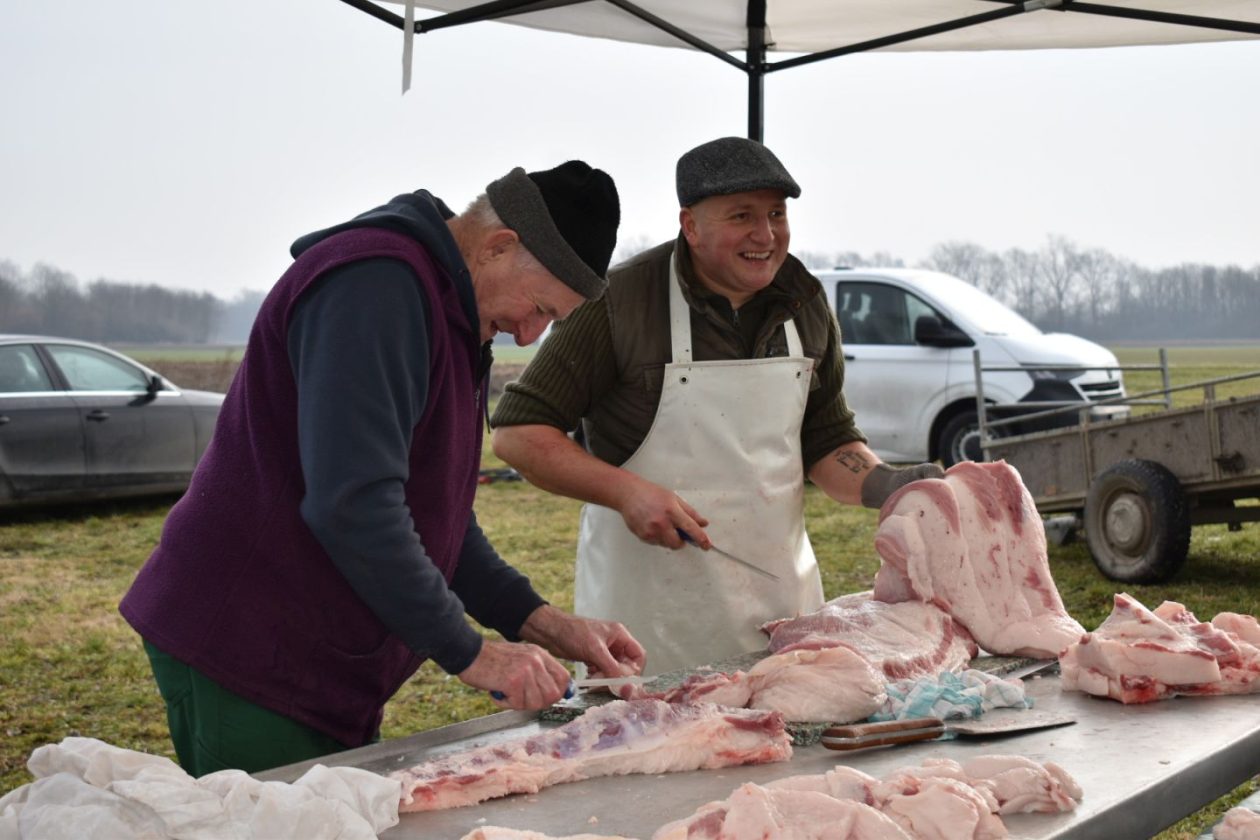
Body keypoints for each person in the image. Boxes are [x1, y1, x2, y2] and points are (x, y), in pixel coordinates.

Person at [120, 160, 646, 776]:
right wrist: (471, 653)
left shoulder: (454, 309)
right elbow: (354, 506)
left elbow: (435, 514)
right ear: (500, 245)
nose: (528, 337)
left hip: (314, 655)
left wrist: (543, 623)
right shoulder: (376, 288)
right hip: (249, 646)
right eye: (539, 308)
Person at [490, 137, 943, 676]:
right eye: (742, 216)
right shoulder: (620, 301)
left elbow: (825, 438)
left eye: (777, 214)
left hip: (783, 610)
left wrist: (889, 486)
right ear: (691, 225)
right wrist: (627, 492)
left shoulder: (805, 300)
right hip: (649, 622)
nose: (766, 235)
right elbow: (518, 432)